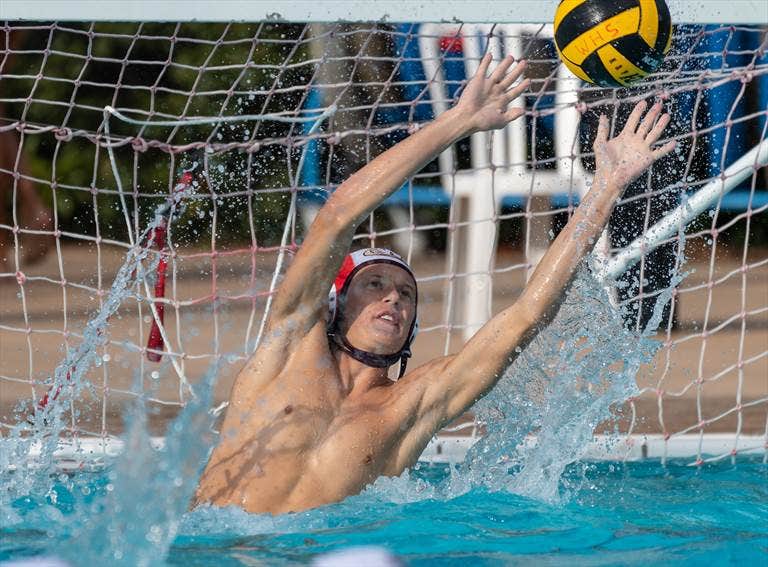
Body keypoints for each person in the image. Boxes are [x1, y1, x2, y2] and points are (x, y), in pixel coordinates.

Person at [193, 53, 676, 514]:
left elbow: (526, 315)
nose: (393, 298)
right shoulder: (287, 347)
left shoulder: (414, 404)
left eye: (406, 294)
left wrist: (606, 187)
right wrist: (460, 121)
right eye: (375, 284)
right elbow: (339, 213)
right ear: (334, 304)